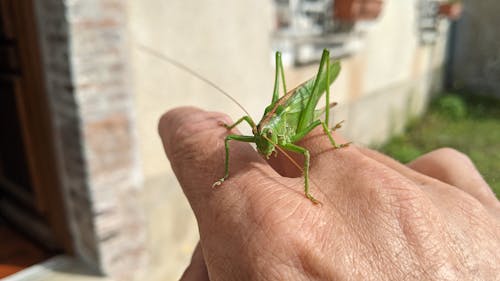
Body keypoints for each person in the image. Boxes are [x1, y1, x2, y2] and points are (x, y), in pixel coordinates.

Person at [159, 107, 500, 281]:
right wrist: (223, 175)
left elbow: (305, 154)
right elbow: (234, 137)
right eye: (259, 136)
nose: (262, 143)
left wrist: (307, 193)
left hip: (291, 117)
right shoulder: (254, 133)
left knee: (307, 150)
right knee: (237, 137)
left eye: (264, 137)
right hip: (272, 120)